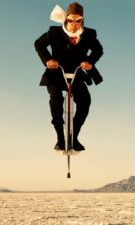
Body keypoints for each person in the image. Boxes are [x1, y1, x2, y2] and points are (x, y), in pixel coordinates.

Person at [34, 2, 103, 151]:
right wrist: (47, 60)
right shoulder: (54, 32)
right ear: (66, 19)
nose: (74, 24)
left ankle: (74, 138)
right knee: (56, 100)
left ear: (82, 20)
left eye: (78, 21)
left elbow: (98, 50)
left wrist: (89, 62)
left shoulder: (89, 34)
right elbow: (38, 44)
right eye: (71, 20)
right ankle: (60, 139)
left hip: (76, 74)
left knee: (85, 101)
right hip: (56, 74)